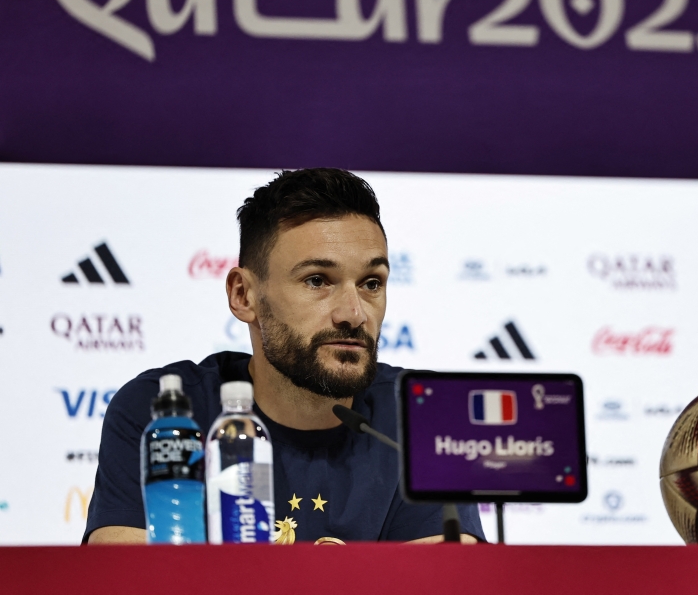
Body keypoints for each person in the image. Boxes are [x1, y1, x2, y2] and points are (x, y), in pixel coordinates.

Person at [85, 168, 484, 544]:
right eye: (317, 280)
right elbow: (126, 580)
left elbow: (446, 581)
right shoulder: (167, 415)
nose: (354, 312)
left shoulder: (422, 416)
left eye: (371, 283)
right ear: (244, 295)